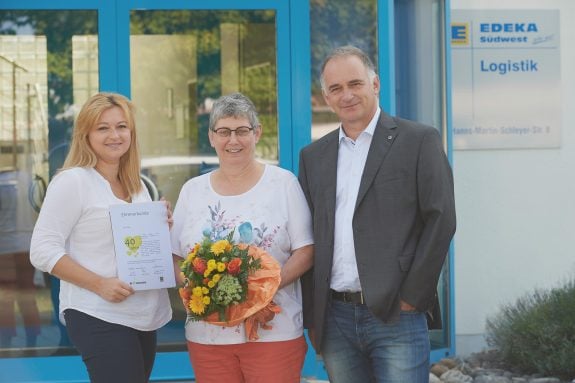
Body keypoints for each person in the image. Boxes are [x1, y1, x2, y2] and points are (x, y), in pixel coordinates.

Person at [298, 45, 456, 382]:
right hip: (335, 317)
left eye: (355, 83)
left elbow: (441, 219)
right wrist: (314, 316)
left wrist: (414, 297)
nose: (347, 95)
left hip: (397, 314)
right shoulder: (314, 156)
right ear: (326, 97)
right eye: (336, 88)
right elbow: (309, 235)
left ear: (375, 84)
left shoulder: (418, 140)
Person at [171, 92, 314, 383]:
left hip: (274, 331)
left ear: (257, 133)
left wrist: (261, 290)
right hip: (207, 336)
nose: (232, 140)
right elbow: (175, 257)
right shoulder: (192, 191)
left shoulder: (283, 184)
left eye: (241, 131)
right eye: (224, 131)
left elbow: (306, 250)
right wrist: (204, 294)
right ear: (211, 137)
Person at [30, 92, 173, 383]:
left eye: (122, 126)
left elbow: (133, 246)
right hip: (98, 314)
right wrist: (99, 284)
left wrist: (159, 226)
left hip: (142, 313)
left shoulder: (136, 186)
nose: (115, 135)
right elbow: (42, 250)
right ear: (86, 134)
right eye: (103, 128)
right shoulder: (73, 181)